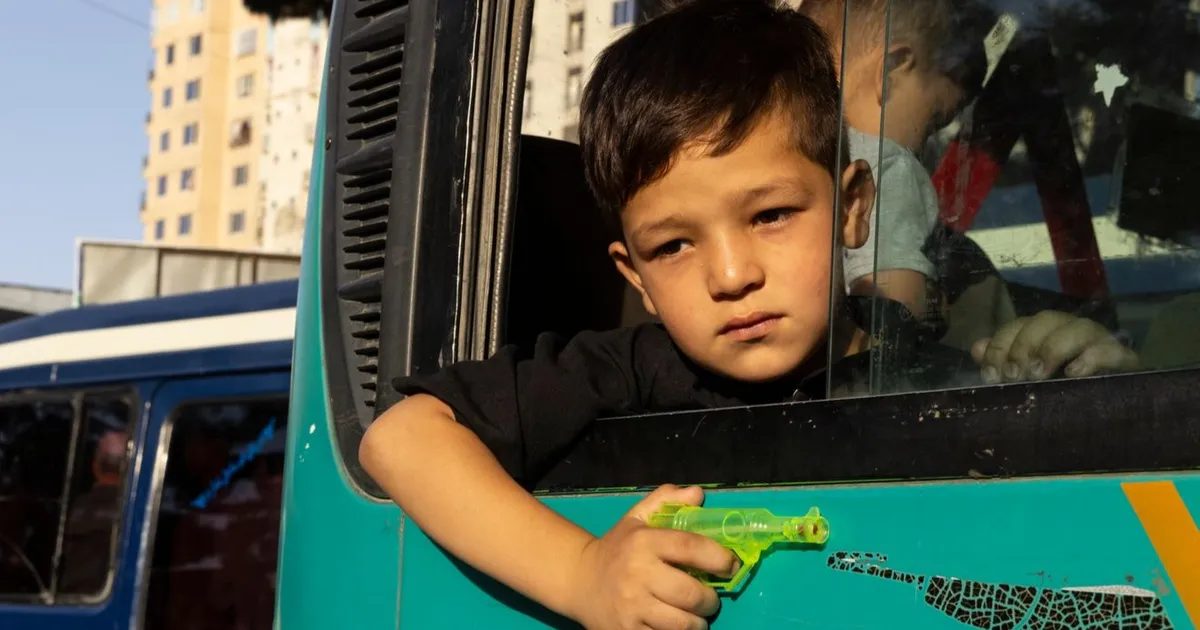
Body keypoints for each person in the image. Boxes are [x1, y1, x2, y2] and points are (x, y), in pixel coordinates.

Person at [360, 1, 1137, 629]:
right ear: (634, 275)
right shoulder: (632, 369)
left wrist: (1070, 365)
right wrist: (581, 574)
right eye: (672, 246)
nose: (731, 277)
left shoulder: (907, 351)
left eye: (770, 215)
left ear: (853, 209)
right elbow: (402, 438)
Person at [798, 0, 986, 322]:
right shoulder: (886, 169)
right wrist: (932, 308)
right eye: (932, 121)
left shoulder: (794, 160)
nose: (924, 145)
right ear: (890, 73)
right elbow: (891, 307)